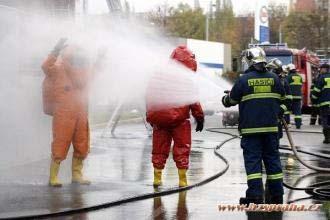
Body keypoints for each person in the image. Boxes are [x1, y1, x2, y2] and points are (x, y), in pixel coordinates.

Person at [222, 47, 286, 204]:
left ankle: (255, 195)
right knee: (273, 161)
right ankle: (277, 194)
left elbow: (231, 100)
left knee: (253, 163)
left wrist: (225, 98)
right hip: (271, 130)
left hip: (251, 131)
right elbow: (283, 100)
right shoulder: (274, 78)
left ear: (250, 61)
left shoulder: (244, 80)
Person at [42, 38, 99, 187]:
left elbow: (96, 72)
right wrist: (55, 51)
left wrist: (101, 59)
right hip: (64, 112)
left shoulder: (86, 71)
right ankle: (53, 177)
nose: (80, 61)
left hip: (81, 111)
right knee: (61, 142)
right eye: (77, 58)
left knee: (82, 142)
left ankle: (77, 175)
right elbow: (45, 66)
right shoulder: (58, 68)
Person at [146, 45, 204, 187]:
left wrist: (150, 116)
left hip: (160, 120)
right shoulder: (187, 79)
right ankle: (182, 180)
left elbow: (149, 96)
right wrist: (200, 117)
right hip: (180, 121)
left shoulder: (158, 76)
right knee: (182, 148)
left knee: (158, 149)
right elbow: (193, 101)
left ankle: (157, 178)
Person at [266, 58, 292, 139]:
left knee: (275, 140)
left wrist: (280, 110)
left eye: (270, 69)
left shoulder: (283, 82)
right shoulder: (266, 80)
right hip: (264, 117)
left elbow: (288, 100)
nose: (268, 71)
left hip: (275, 118)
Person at [311, 63, 330, 143]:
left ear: (324, 69)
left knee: (325, 120)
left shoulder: (321, 78)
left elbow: (316, 91)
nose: (320, 70)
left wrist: (314, 100)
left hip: (324, 104)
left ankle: (327, 138)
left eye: (321, 69)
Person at [286, 64, 303, 129]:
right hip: (298, 96)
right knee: (298, 111)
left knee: (287, 110)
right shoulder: (299, 77)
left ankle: (287, 123)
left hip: (290, 96)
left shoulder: (288, 77)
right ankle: (298, 125)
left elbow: (286, 86)